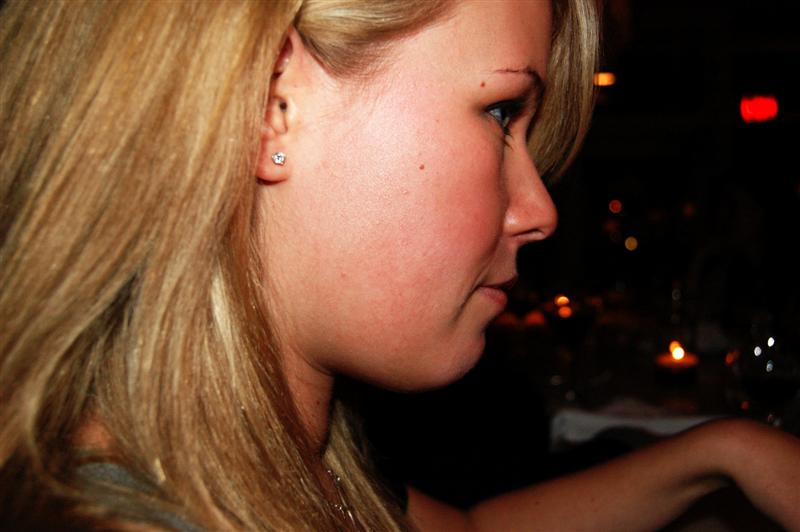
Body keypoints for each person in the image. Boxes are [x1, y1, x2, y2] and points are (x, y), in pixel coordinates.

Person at [1, 0, 799, 530]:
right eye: (499, 112)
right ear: (272, 103)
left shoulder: (283, 458)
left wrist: (722, 452)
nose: (540, 210)